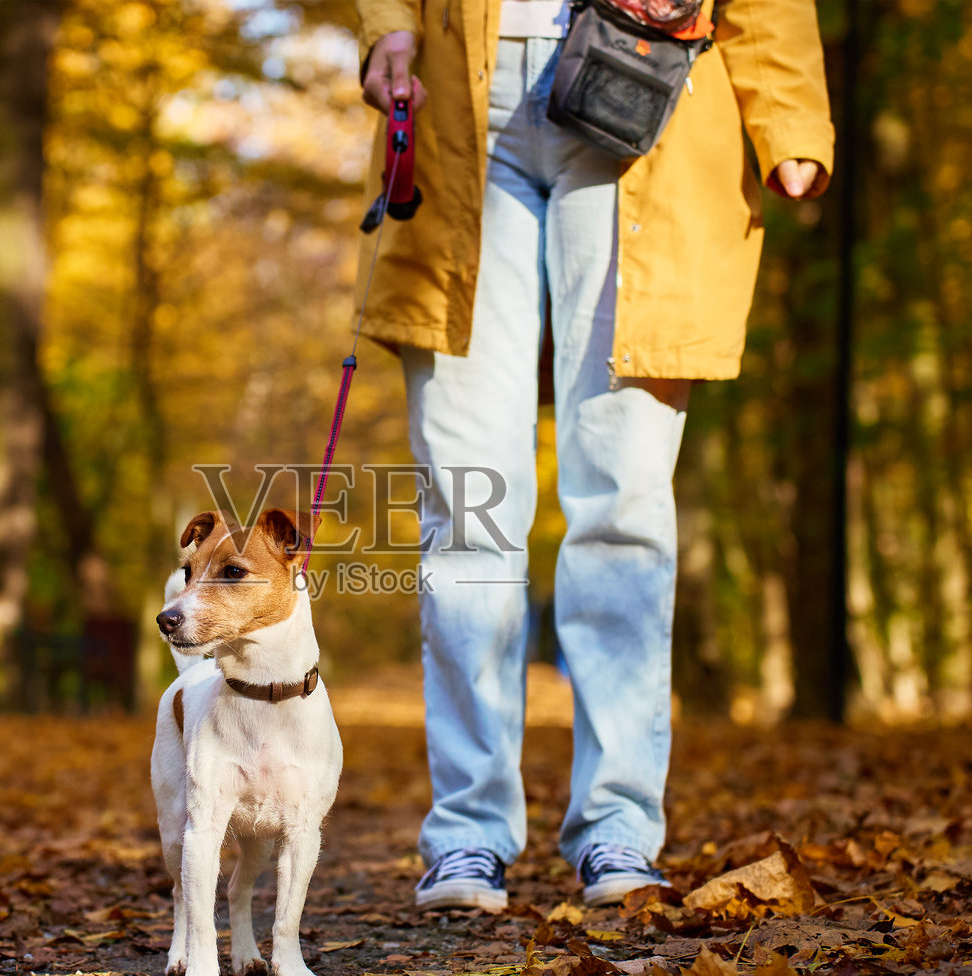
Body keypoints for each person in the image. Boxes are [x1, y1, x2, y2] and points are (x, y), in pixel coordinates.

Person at [351, 0, 834, 909]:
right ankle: (466, 834)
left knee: (624, 501)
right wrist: (385, 29)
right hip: (464, 115)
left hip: (649, 97)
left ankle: (616, 828)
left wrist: (791, 114)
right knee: (468, 502)